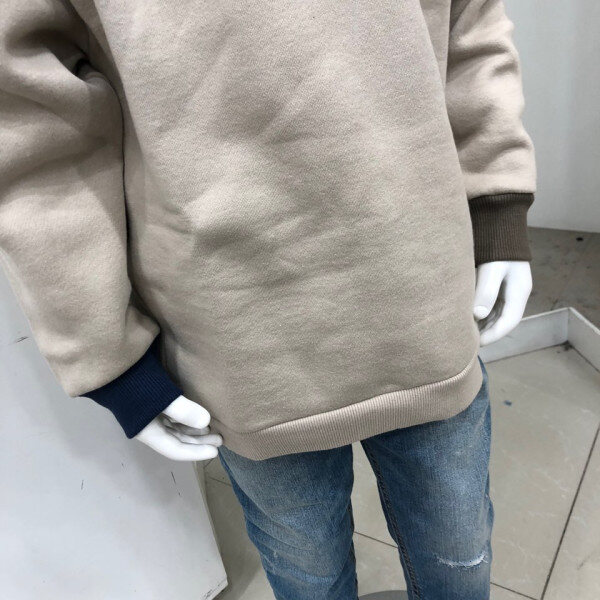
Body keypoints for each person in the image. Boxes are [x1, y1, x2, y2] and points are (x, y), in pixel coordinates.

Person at [0, 1, 535, 598]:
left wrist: (497, 193)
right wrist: (104, 352)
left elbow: (469, 21)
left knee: (458, 559)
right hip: (237, 334)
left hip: (421, 289)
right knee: (310, 576)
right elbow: (32, 125)